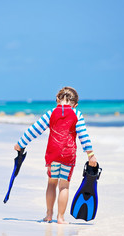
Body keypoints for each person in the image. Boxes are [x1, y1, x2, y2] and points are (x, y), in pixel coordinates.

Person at [14, 86, 97, 224]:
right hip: (68, 155)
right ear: (75, 104)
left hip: (53, 155)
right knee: (64, 186)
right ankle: (60, 217)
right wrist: (90, 154)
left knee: (51, 183)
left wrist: (21, 143)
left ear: (57, 100)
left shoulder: (51, 112)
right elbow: (84, 136)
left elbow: (35, 129)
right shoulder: (77, 114)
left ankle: (48, 215)